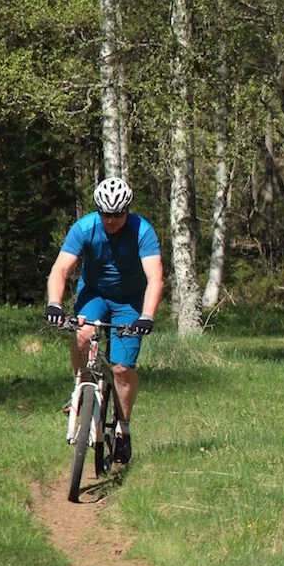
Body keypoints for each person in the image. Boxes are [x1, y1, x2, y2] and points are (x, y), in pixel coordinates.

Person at [44, 177, 164, 467]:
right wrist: (55, 304)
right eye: (106, 214)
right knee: (83, 334)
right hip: (94, 293)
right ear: (98, 211)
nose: (111, 221)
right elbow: (61, 269)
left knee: (122, 368)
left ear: (127, 211)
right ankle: (81, 388)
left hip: (130, 301)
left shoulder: (142, 231)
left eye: (118, 215)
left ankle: (123, 428)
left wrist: (147, 316)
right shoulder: (85, 228)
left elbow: (155, 278)